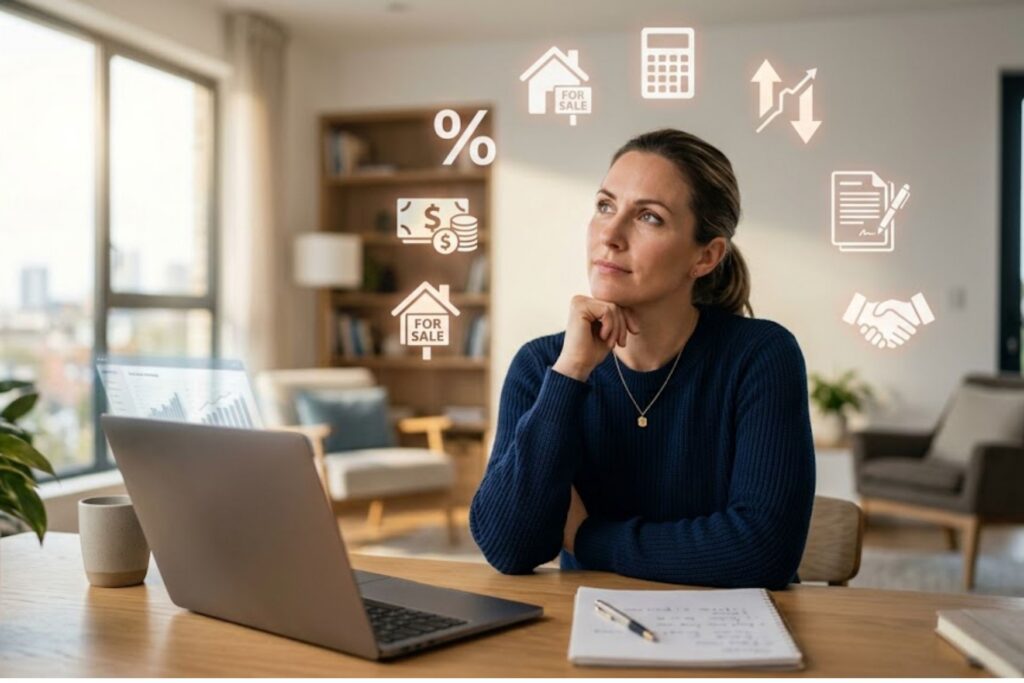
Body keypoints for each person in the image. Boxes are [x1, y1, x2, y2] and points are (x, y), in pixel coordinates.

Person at [469, 129, 815, 589]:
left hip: (735, 640)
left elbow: (762, 551)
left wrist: (587, 537)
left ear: (706, 257)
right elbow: (510, 549)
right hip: (589, 634)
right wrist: (570, 374)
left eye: (649, 217)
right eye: (605, 206)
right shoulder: (544, 366)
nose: (609, 236)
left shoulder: (760, 357)